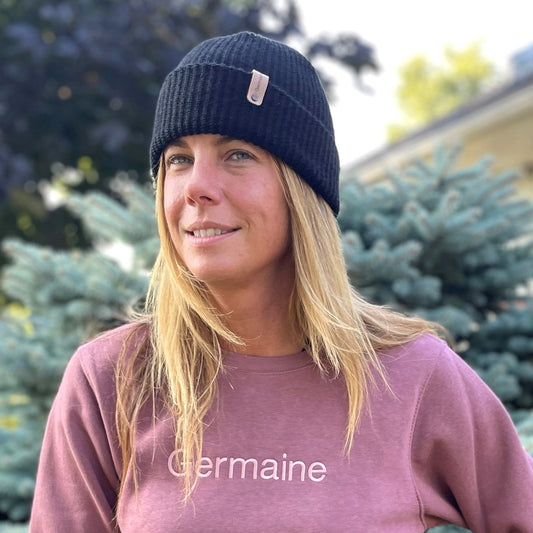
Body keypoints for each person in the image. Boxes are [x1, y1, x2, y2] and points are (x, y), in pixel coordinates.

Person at [30, 31, 533, 532]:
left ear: (301, 189)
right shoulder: (111, 380)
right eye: (178, 160)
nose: (197, 187)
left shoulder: (413, 376)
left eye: (237, 154)